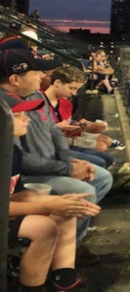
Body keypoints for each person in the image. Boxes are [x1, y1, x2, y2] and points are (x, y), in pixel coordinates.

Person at [4, 48, 110, 252]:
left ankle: (70, 247)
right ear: (16, 79)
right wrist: (67, 169)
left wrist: (68, 161)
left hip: (49, 166)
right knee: (85, 191)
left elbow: (53, 130)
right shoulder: (6, 106)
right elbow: (22, 161)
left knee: (102, 176)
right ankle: (56, 252)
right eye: (37, 72)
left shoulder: (35, 95)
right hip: (30, 176)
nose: (44, 76)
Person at [10, 98, 97, 292]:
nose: (27, 120)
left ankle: (64, 280)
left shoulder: (12, 150)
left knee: (67, 209)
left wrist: (61, 201)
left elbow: (16, 194)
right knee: (44, 227)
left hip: (7, 209)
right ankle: (32, 287)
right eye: (18, 115)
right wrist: (48, 206)